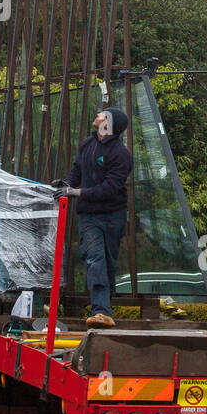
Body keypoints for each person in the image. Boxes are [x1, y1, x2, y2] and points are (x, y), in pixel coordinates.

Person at [58, 107, 133, 328]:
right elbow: (77, 171)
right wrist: (66, 184)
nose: (98, 115)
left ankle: (104, 310)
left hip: (113, 215)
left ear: (109, 124)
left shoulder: (121, 155)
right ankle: (100, 311)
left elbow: (109, 188)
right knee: (95, 258)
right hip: (89, 216)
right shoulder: (88, 144)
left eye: (103, 114)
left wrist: (77, 193)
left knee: (108, 262)